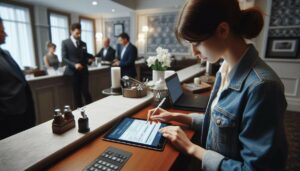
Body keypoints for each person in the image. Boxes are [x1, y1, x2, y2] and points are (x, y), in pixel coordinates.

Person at [148, 0, 288, 170]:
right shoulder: (224, 69)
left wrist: (191, 148)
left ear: (223, 30)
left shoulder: (262, 87)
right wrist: (178, 117)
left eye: (196, 42)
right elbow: (223, 124)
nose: (194, 52)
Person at [0, 17, 36, 140]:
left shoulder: (6, 53)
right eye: (2, 31)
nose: (6, 34)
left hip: (24, 111)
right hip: (7, 118)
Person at [62, 23, 94, 108]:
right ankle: (80, 115)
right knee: (77, 95)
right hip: (73, 73)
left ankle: (93, 110)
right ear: (71, 31)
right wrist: (74, 64)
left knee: (86, 92)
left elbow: (84, 56)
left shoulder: (83, 44)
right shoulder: (65, 43)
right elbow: (64, 58)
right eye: (77, 33)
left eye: (80, 33)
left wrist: (89, 60)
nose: (79, 35)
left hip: (84, 72)